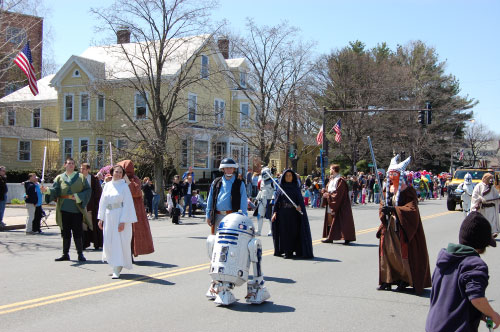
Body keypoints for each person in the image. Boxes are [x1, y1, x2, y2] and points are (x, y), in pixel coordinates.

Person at [426, 212, 500, 331]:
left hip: (434, 326)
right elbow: (477, 298)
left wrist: (479, 313)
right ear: (481, 244)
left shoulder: (444, 259)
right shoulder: (475, 264)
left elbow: (451, 296)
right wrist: (493, 314)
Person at [377, 155, 431, 294]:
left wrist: (395, 209)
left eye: (394, 173)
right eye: (390, 173)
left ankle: (404, 279)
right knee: (387, 253)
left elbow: (412, 209)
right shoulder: (386, 191)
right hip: (388, 226)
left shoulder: (408, 191)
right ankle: (387, 280)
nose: (391, 176)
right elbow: (382, 204)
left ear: (400, 175)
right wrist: (384, 209)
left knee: (402, 254)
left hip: (402, 227)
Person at [42, 158, 91, 262]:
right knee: (65, 232)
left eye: (73, 164)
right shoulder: (59, 178)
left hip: (76, 209)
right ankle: (65, 254)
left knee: (77, 232)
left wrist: (78, 196)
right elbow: (55, 190)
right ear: (65, 165)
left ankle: (80, 254)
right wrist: (46, 191)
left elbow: (87, 190)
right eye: (69, 163)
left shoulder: (81, 177)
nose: (71, 165)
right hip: (64, 208)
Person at [98, 165, 137, 279]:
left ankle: (118, 267)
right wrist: (101, 218)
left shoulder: (124, 187)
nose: (118, 174)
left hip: (119, 216)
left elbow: (128, 205)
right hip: (109, 216)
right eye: (116, 172)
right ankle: (114, 264)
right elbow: (103, 202)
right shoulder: (107, 186)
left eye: (120, 172)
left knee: (118, 242)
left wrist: (123, 221)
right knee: (109, 241)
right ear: (112, 172)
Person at [271, 169, 313, 259]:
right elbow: (277, 202)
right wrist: (274, 213)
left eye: (290, 175)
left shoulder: (295, 188)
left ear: (293, 177)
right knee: (283, 233)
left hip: (293, 214)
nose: (288, 177)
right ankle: (286, 251)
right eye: (286, 176)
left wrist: (299, 207)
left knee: (292, 232)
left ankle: (293, 250)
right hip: (282, 213)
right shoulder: (280, 188)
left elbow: (300, 202)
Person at [117, 160, 154, 257]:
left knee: (132, 232)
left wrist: (127, 181)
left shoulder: (135, 179)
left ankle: (130, 252)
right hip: (119, 209)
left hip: (133, 210)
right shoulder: (117, 179)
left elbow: (136, 192)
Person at [206, 158, 247, 234]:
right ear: (223, 169)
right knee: (216, 240)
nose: (229, 170)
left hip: (232, 216)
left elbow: (243, 201)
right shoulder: (216, 182)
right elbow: (210, 199)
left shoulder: (239, 184)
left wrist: (243, 218)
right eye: (226, 168)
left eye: (231, 168)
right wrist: (208, 215)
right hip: (217, 216)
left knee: (230, 239)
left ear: (234, 169)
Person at [321, 164, 356, 245]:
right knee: (330, 218)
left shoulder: (340, 181)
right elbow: (329, 190)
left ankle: (346, 237)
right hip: (331, 201)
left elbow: (339, 193)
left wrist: (329, 195)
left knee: (342, 220)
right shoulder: (331, 180)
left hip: (340, 203)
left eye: (330, 169)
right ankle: (330, 237)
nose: (329, 171)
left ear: (333, 169)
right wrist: (324, 192)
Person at [80, 163, 103, 250]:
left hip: (91, 206)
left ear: (88, 170)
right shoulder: (78, 178)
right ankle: (84, 243)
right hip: (81, 206)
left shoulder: (93, 179)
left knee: (91, 224)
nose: (82, 170)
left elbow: (98, 193)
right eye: (81, 168)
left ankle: (96, 243)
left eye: (84, 169)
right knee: (83, 225)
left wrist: (95, 204)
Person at [471, 172, 500, 238]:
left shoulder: (492, 187)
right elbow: (474, 196)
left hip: (491, 207)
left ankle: (492, 234)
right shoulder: (479, 186)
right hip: (483, 208)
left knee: (491, 221)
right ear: (485, 179)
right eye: (489, 179)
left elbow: (496, 196)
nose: (490, 180)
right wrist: (480, 198)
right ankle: (482, 235)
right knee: (483, 222)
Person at [254, 167, 275, 236]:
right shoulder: (262, 181)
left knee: (269, 217)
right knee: (260, 216)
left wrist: (273, 199)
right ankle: (259, 231)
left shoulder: (273, 182)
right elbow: (261, 191)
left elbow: (275, 192)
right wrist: (257, 199)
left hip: (269, 201)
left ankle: (271, 231)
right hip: (262, 200)